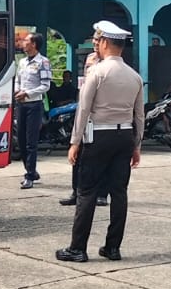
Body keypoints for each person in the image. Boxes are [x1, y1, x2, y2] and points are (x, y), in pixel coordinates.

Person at [57, 21, 144, 262]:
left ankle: (78, 248)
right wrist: (137, 146)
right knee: (119, 192)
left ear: (104, 42)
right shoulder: (135, 77)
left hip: (98, 136)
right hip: (124, 136)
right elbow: (139, 115)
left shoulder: (97, 72)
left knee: (86, 192)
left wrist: (75, 142)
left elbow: (83, 109)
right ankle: (113, 247)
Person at [58, 50, 108, 208]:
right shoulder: (88, 69)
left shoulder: (107, 70)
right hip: (83, 115)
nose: (88, 69)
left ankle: (102, 194)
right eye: (86, 66)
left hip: (100, 118)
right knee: (77, 156)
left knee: (102, 158)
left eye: (98, 40)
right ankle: (76, 192)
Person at [13, 32, 52, 189]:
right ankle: (31, 170)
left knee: (31, 142)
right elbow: (18, 79)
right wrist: (17, 90)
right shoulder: (22, 62)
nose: (23, 43)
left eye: (26, 41)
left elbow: (45, 86)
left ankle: (29, 176)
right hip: (21, 105)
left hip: (34, 105)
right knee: (21, 140)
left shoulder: (43, 62)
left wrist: (27, 93)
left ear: (34, 44)